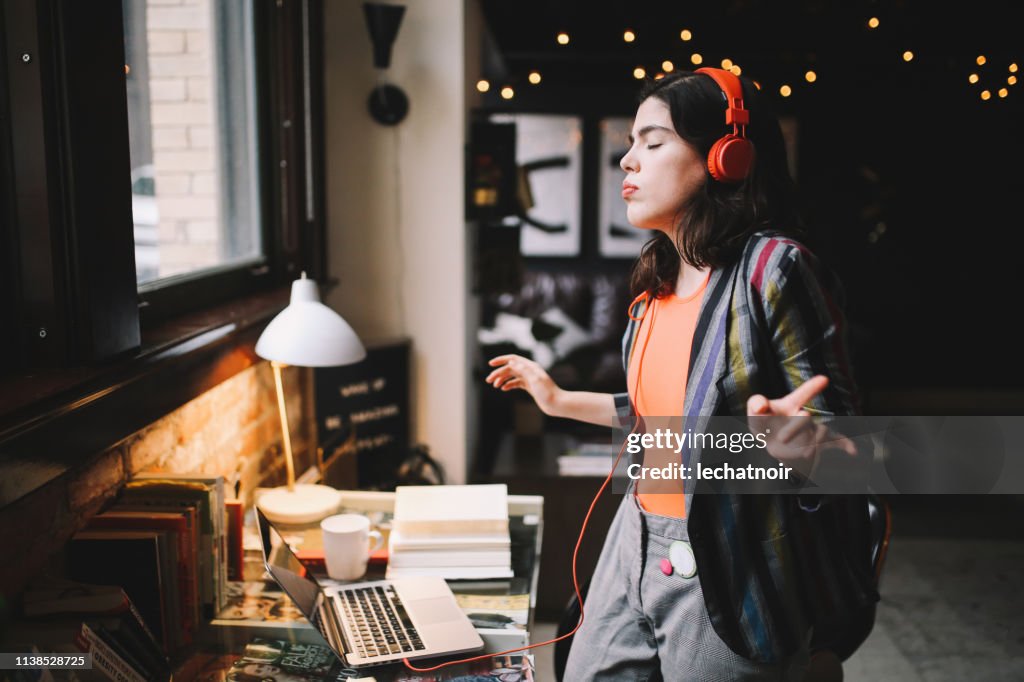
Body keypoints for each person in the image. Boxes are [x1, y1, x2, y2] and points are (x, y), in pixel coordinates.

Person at [485, 68, 878, 681]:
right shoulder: (656, 283)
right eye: (631, 142)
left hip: (729, 550)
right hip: (634, 537)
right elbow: (664, 418)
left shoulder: (775, 268)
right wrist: (558, 398)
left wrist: (802, 443)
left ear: (726, 155)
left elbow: (847, 443)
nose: (627, 160)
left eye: (653, 140)